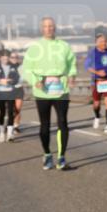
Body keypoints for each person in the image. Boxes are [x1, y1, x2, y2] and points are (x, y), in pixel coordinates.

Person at [22, 16, 77, 170]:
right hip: (42, 91)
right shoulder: (35, 48)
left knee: (62, 122)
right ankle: (47, 154)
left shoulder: (64, 46)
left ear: (55, 28)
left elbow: (71, 64)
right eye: (45, 26)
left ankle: (61, 157)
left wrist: (72, 75)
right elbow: (26, 69)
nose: (49, 28)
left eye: (51, 26)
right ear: (41, 29)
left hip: (61, 89)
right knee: (44, 126)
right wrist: (35, 81)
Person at [0, 49, 21, 143]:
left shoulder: (13, 67)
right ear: (0, 58)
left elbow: (17, 78)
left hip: (11, 92)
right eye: (3, 58)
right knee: (2, 112)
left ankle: (10, 134)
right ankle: (2, 132)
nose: (5, 60)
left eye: (7, 58)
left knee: (11, 112)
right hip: (0, 93)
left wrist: (11, 81)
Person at [10, 52, 24, 136]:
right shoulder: (6, 66)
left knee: (17, 109)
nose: (14, 58)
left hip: (19, 89)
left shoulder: (21, 67)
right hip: (9, 90)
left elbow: (25, 76)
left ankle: (16, 126)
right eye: (12, 57)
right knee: (11, 109)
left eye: (15, 57)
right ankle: (10, 125)